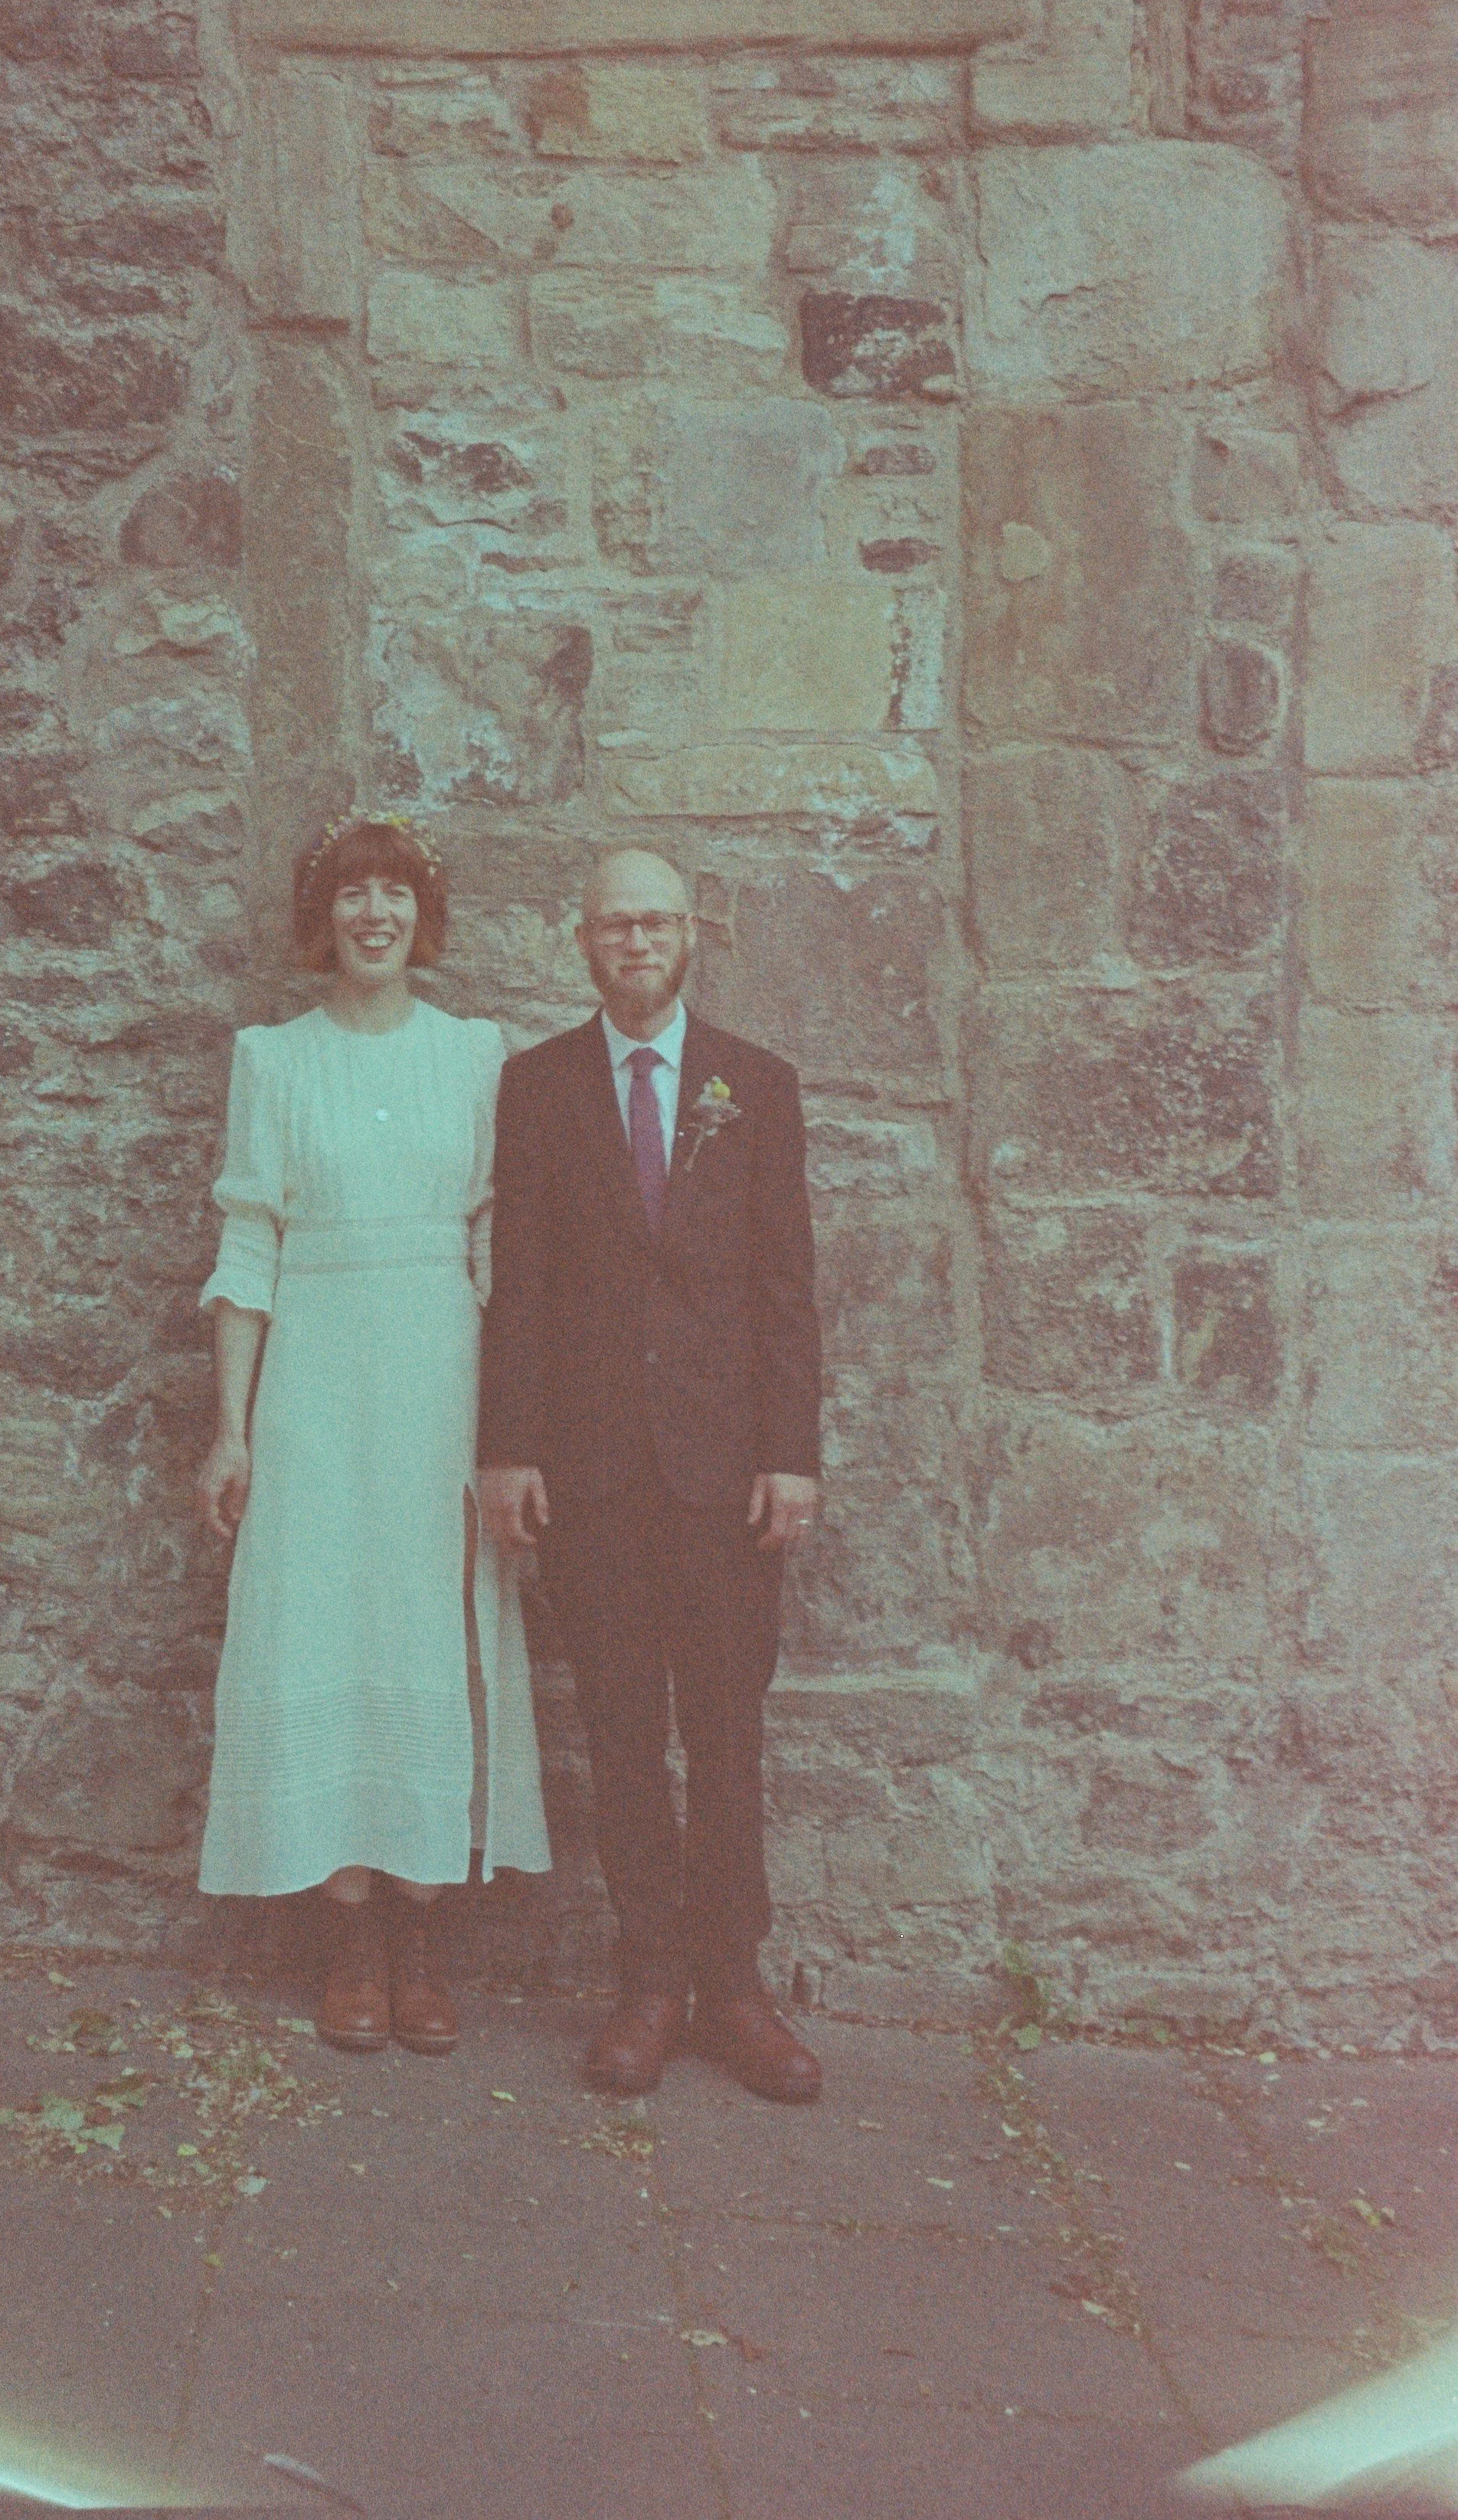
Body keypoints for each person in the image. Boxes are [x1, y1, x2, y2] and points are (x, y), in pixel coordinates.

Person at [194, 814, 551, 2057]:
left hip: (440, 1386)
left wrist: (514, 1428)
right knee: (321, 1621)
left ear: (423, 919)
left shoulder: (473, 1057)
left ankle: (422, 1929)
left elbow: (506, 1252)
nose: (375, 914)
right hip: (317, 1392)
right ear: (323, 918)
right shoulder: (273, 1061)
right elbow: (249, 1245)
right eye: (352, 894)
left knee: (428, 1621)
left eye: (396, 894)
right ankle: (346, 1935)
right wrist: (232, 1431)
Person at [478, 848, 824, 2103]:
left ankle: (734, 1990)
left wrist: (791, 1455)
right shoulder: (538, 1087)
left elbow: (786, 1288)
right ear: (583, 943)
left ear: (693, 937)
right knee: (623, 1737)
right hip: (594, 1470)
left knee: (726, 1740)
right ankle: (648, 1985)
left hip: (726, 1476)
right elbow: (516, 1282)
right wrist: (508, 1448)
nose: (637, 942)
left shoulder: (759, 1088)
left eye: (658, 922)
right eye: (616, 924)